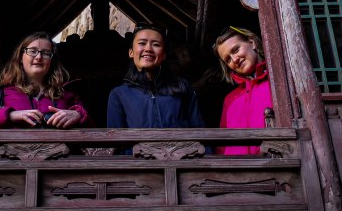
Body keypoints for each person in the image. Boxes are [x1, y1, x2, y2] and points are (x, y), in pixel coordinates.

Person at [0, 31, 89, 129]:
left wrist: (78, 115)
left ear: (51, 61)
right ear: (21, 58)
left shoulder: (68, 94)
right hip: (10, 157)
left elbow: (95, 131)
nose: (39, 57)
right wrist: (10, 115)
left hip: (61, 157)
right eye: (32, 51)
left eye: (45, 53)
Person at [107, 24, 204, 128]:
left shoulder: (182, 87)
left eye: (156, 44)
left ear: (163, 55)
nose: (148, 49)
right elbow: (115, 136)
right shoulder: (119, 94)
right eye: (142, 43)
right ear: (131, 52)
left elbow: (199, 131)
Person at [212, 26, 272, 155]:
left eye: (236, 50)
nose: (234, 60)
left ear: (252, 43)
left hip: (275, 162)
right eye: (228, 59)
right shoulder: (230, 100)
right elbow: (222, 147)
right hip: (238, 166)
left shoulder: (277, 83)